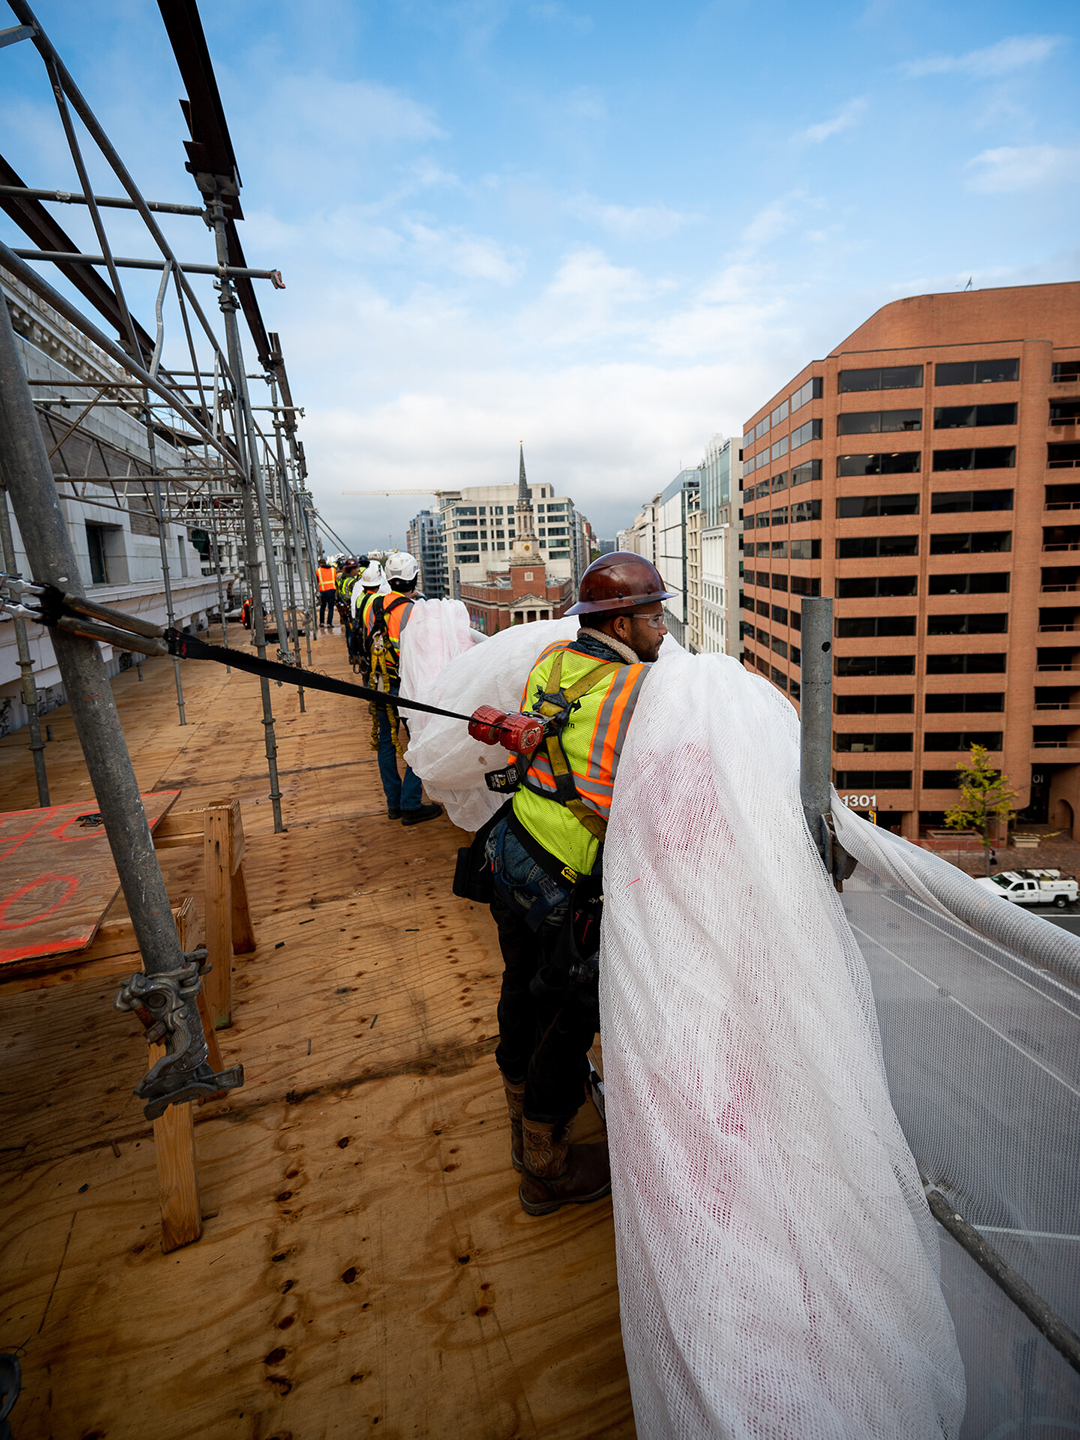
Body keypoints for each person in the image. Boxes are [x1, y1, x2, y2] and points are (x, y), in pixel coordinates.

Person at [482, 553, 672, 1216]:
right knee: (569, 1017)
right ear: (621, 624)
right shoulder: (639, 690)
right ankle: (545, 1165)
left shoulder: (553, 660)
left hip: (512, 848)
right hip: (566, 877)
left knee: (521, 984)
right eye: (654, 618)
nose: (664, 631)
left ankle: (516, 1103)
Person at [365, 551, 442, 827]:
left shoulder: (373, 604)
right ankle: (410, 803)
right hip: (405, 687)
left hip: (378, 684)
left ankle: (393, 804)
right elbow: (422, 653)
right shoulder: (413, 611)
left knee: (386, 742)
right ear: (415, 577)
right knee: (419, 740)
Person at [350, 562, 385, 676]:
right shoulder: (378, 599)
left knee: (366, 673)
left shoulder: (360, 597)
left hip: (362, 639)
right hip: (373, 642)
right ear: (379, 585)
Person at [317, 559, 337, 630]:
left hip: (322, 592)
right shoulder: (333, 570)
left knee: (322, 607)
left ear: (320, 564)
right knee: (331, 608)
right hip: (331, 591)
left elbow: (317, 581)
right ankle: (329, 623)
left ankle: (321, 622)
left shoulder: (318, 571)